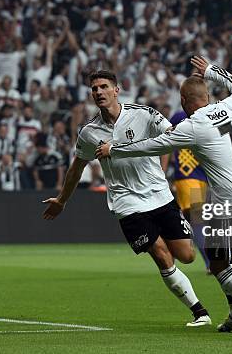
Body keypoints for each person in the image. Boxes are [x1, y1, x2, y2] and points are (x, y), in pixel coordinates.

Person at [96, 57, 232, 334]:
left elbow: (153, 145)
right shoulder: (230, 106)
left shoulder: (193, 126)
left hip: (231, 202)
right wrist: (211, 71)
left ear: (183, 100)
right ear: (207, 96)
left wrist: (115, 150)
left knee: (217, 263)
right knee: (221, 259)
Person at [42, 70, 211, 327]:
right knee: (162, 255)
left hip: (160, 194)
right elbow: (77, 168)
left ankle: (176, 263)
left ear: (116, 90)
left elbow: (172, 135)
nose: (98, 92)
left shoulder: (143, 114)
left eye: (103, 87)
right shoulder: (89, 132)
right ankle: (200, 312)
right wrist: (62, 200)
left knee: (186, 255)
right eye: (94, 88)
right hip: (127, 203)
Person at [167, 110, 210, 274]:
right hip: (191, 178)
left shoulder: (190, 118)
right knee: (197, 221)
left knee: (190, 220)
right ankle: (209, 263)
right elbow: (167, 143)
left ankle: (170, 256)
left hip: (196, 179)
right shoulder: (189, 119)